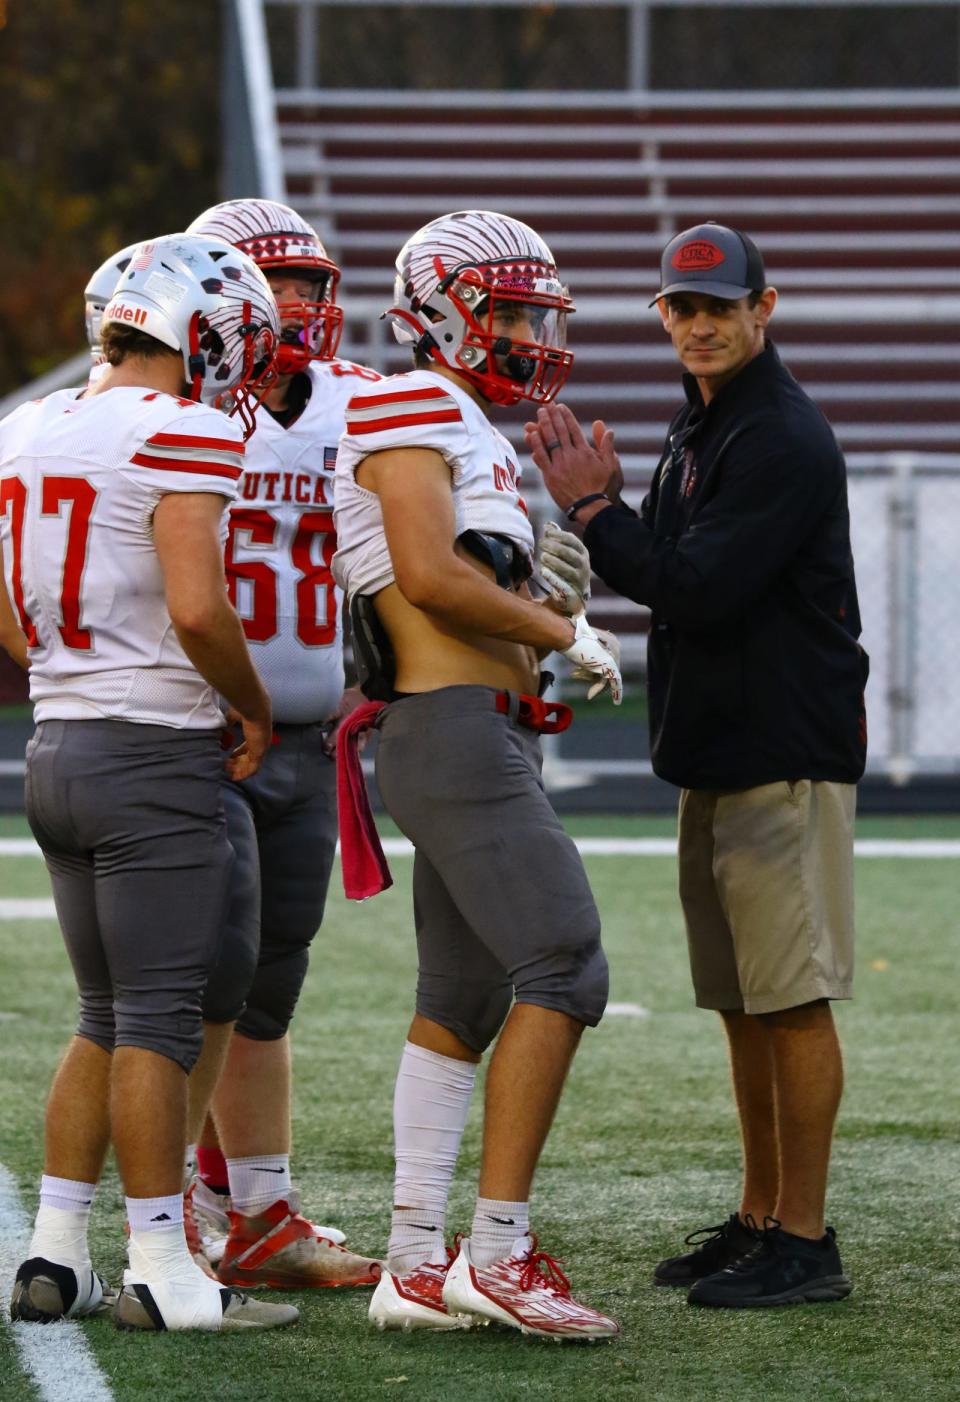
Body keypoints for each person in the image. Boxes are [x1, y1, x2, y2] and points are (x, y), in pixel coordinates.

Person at [526, 221, 869, 1309]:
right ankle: (764, 1213)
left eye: (722, 305)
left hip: (781, 756)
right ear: (663, 315)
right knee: (743, 1001)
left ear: (766, 309)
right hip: (724, 754)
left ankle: (805, 1242)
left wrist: (592, 511)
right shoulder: (707, 423)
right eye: (684, 306)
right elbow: (682, 576)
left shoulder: (779, 436)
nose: (702, 323)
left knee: (793, 999)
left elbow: (701, 587)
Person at [0, 232, 298, 1333]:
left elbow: (9, 609)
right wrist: (252, 703)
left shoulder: (27, 426)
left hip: (54, 748)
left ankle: (54, 1253)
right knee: (159, 1026)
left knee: (103, 1011)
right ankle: (165, 1269)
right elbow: (195, 607)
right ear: (199, 330)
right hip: (150, 756)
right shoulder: (181, 430)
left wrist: (74, 673)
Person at [332, 209, 622, 1341]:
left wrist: (548, 611)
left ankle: (412, 1261)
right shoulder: (410, 400)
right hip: (451, 728)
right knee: (566, 962)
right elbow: (426, 580)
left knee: (464, 997)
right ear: (442, 311)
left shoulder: (458, 419)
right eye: (503, 310)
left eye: (530, 312)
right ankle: (496, 1252)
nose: (523, 332)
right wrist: (561, 639)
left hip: (475, 724)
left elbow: (466, 589)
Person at [171, 197, 384, 1289]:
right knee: (190, 978)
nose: (300, 304)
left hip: (308, 731)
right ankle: (170, 1217)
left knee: (269, 981)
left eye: (312, 285)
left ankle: (251, 1207)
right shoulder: (178, 402)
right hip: (200, 734)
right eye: (278, 282)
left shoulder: (354, 405)